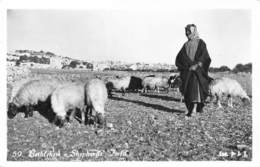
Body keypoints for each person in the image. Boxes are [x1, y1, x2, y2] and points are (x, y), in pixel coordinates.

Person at [175, 24, 211, 117]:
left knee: (195, 90)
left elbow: (204, 57)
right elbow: (180, 58)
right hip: (187, 72)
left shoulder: (201, 43)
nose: (187, 33)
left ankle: (194, 110)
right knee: (187, 90)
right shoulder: (185, 45)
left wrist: (197, 65)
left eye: (189, 31)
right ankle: (190, 109)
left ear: (193, 32)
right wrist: (188, 66)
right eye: (186, 32)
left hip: (197, 72)